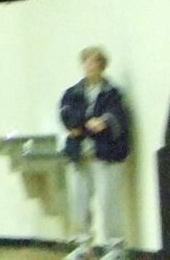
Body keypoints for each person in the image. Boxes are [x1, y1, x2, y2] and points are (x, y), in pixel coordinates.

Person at [60, 46, 130, 260]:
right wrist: (86, 122)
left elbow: (114, 118)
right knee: (79, 201)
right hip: (81, 154)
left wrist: (102, 122)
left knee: (108, 201)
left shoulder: (112, 92)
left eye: (94, 62)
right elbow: (68, 116)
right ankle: (82, 244)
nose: (89, 66)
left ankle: (114, 247)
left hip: (105, 154)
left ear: (101, 65)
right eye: (86, 62)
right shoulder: (73, 93)